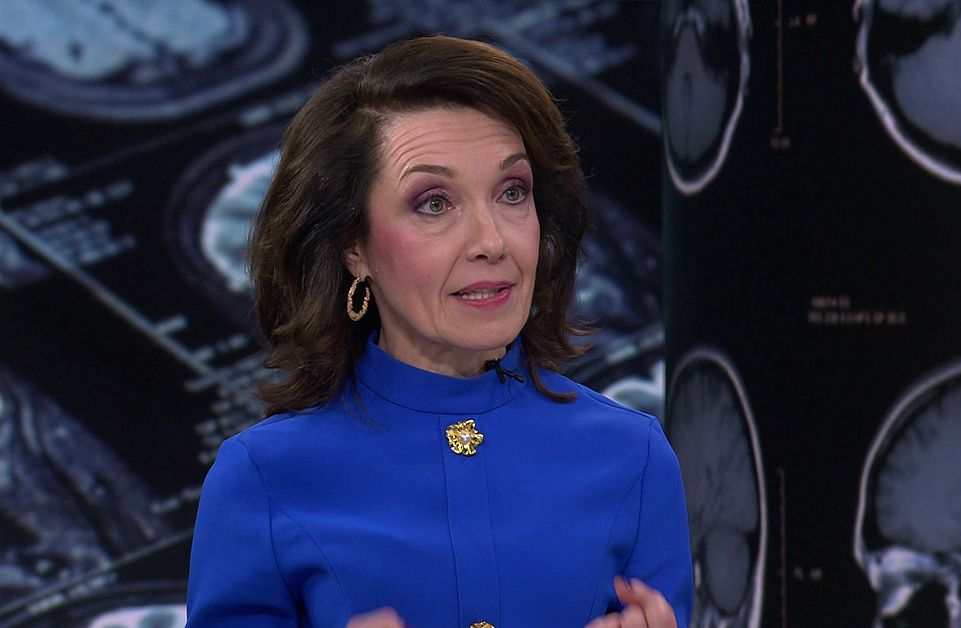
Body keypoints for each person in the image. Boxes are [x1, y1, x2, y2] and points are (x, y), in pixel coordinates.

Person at [185, 35, 693, 628]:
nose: (492, 242)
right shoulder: (262, 477)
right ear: (353, 246)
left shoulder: (633, 456)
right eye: (433, 203)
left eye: (512, 193)